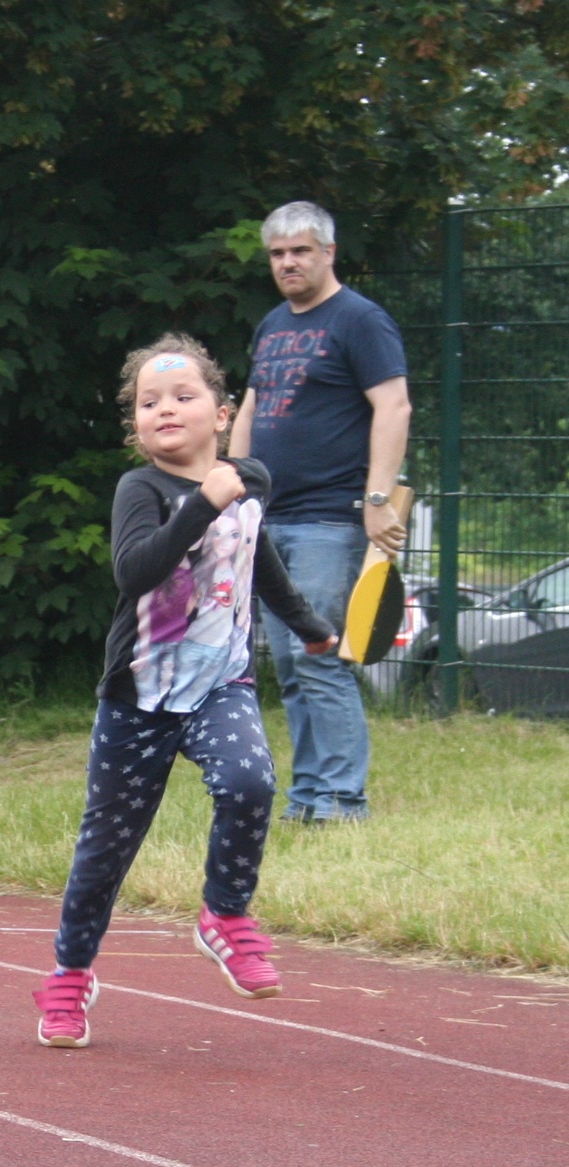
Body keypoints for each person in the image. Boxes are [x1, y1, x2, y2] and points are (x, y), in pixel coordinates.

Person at [34, 335, 340, 1050]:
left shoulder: (250, 483)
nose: (164, 407)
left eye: (182, 395)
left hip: (220, 683)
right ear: (134, 425)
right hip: (139, 694)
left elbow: (258, 561)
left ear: (222, 414)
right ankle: (69, 976)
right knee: (105, 850)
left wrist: (307, 624)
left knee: (250, 781)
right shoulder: (141, 490)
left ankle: (224, 915)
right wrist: (201, 503)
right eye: (148, 401)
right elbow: (136, 571)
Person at [228, 200, 412, 825]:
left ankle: (341, 801)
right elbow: (252, 409)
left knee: (320, 658)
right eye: (278, 254)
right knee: (289, 665)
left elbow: (394, 408)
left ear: (328, 253)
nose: (288, 263)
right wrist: (230, 488)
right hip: (269, 517)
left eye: (301, 251)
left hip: (330, 518)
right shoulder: (273, 323)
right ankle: (309, 799)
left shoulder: (361, 320)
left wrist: (377, 500)